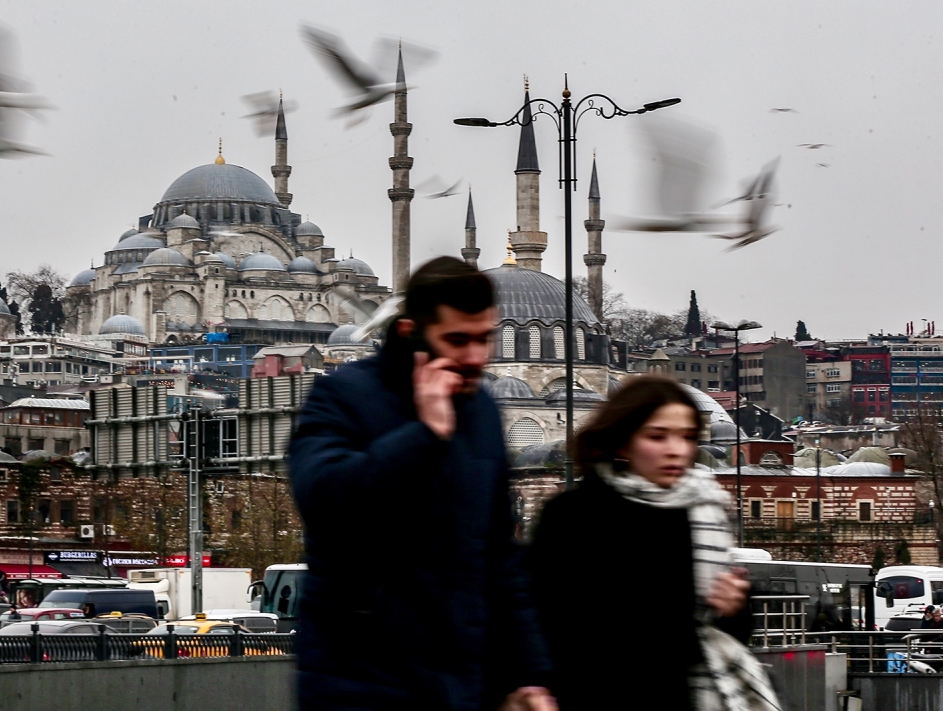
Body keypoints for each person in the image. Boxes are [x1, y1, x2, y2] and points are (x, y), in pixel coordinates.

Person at [289, 257, 554, 711]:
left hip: (458, 681)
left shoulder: (483, 411)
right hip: (359, 680)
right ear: (412, 331)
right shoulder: (342, 395)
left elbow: (497, 558)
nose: (474, 357)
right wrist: (423, 436)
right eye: (457, 340)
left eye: (484, 339)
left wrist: (528, 675)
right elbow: (326, 501)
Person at [528, 376, 778, 711]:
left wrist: (733, 607)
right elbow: (549, 625)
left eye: (687, 437)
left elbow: (720, 634)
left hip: (682, 695)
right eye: (657, 436)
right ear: (623, 441)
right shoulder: (573, 517)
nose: (675, 450)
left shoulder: (703, 511)